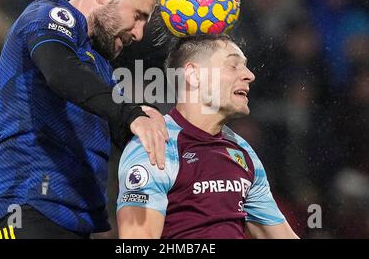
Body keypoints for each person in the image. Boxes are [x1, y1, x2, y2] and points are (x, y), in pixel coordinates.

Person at [0, 0, 169, 239]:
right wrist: (131, 113)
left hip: (72, 226)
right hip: (21, 215)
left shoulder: (99, 68)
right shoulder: (47, 14)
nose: (139, 33)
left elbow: (122, 129)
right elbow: (61, 72)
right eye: (138, 16)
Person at [116, 34, 299, 238]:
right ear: (193, 75)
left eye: (245, 66)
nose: (249, 75)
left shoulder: (242, 150)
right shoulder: (156, 143)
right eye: (233, 66)